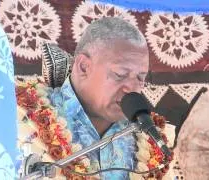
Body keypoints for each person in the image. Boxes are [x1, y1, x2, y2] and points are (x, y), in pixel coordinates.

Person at [49, 17, 149, 179]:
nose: (131, 89)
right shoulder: (24, 121)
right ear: (84, 67)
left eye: (140, 78)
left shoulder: (149, 136)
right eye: (120, 74)